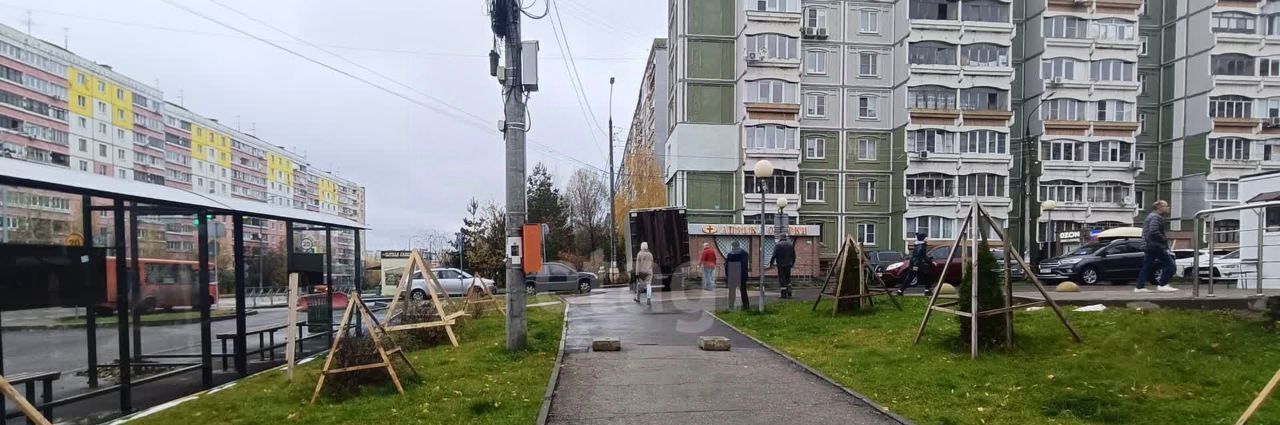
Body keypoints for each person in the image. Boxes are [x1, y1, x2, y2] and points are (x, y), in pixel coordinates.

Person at [1135, 200, 1178, 293]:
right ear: (1159, 207)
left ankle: (1139, 287)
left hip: (1149, 245)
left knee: (1147, 266)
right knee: (1170, 265)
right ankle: (1162, 284)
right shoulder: (1155, 217)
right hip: (1155, 246)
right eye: (1166, 206)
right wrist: (1164, 239)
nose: (1168, 208)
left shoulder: (1152, 216)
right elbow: (1153, 231)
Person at [724, 240, 751, 309]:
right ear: (739, 245)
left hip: (732, 275)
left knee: (732, 291)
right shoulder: (744, 253)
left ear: (732, 246)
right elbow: (745, 265)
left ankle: (731, 305)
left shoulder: (730, 254)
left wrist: (727, 275)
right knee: (743, 291)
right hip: (741, 275)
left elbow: (726, 266)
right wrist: (745, 275)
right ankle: (746, 305)